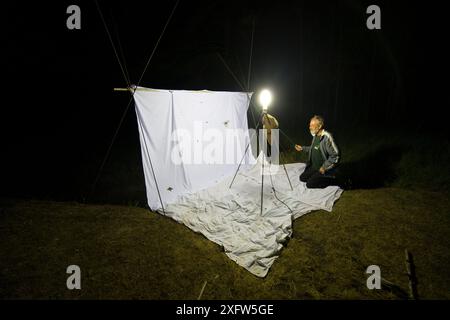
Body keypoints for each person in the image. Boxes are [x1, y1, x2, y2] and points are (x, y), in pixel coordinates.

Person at [295, 115, 340, 188]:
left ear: (320, 126)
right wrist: (302, 148)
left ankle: (332, 178)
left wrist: (324, 167)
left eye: (312, 125)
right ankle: (317, 176)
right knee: (302, 178)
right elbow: (314, 148)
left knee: (309, 184)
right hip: (314, 167)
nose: (310, 127)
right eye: (310, 125)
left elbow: (335, 156)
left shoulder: (327, 137)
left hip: (323, 168)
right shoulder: (315, 135)